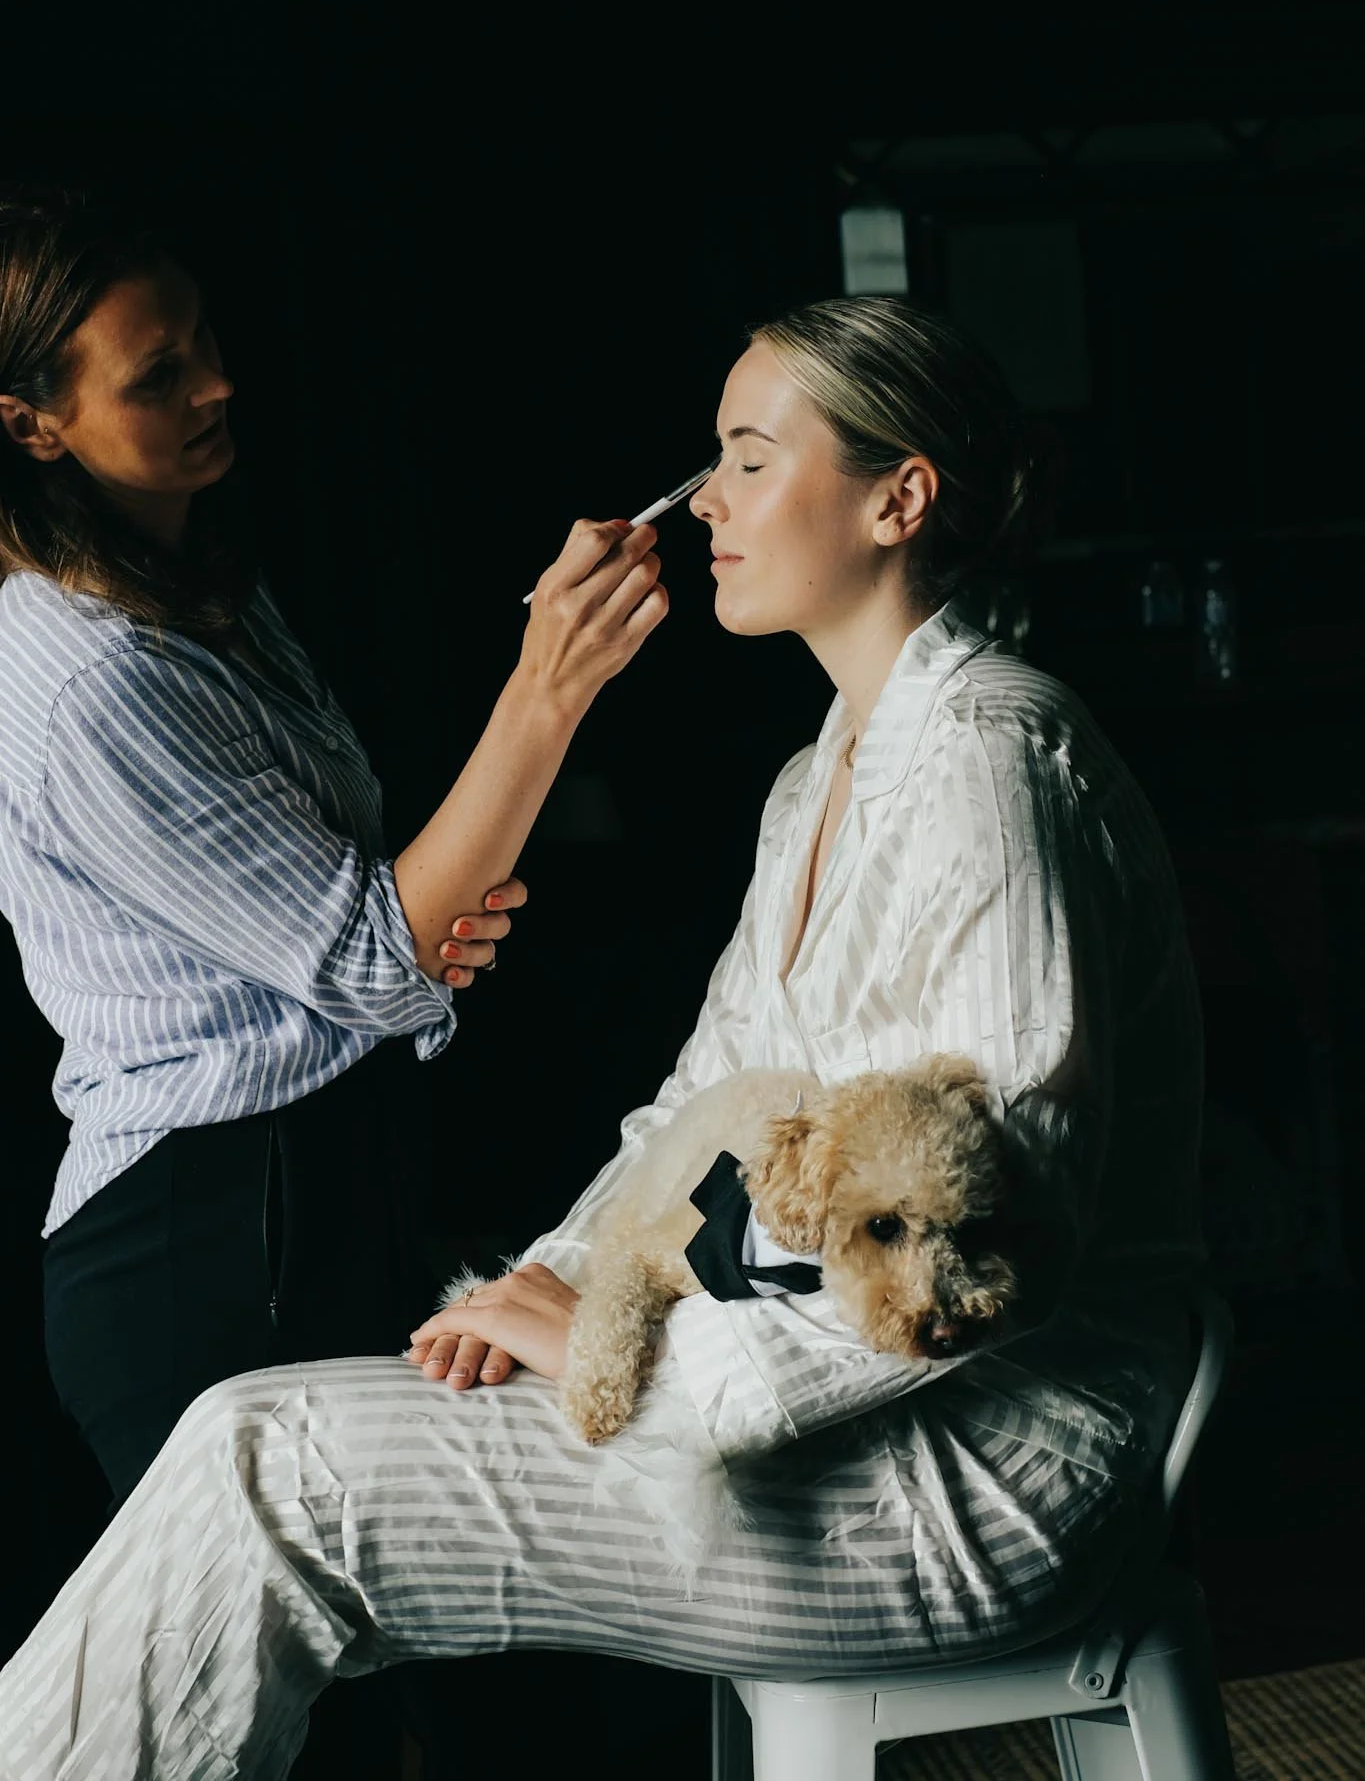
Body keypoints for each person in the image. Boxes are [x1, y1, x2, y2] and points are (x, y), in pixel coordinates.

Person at [0, 295, 1206, 1781]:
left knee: (275, 1477)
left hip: (982, 1471)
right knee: (244, 1430)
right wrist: (564, 1282)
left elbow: (969, 1247)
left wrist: (653, 1354)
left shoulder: (995, 771)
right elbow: (700, 1112)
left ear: (900, 497)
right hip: (825, 1420)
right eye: (714, 457)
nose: (706, 498)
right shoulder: (821, 776)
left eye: (752, 460)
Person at [0, 186, 669, 1511]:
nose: (218, 384)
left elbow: (379, 928)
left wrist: (410, 931)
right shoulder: (87, 681)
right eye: (159, 375)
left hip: (316, 1188)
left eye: (204, 341)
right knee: (319, 1701)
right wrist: (549, 690)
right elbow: (378, 954)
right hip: (204, 1242)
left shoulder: (200, 582)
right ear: (30, 423)